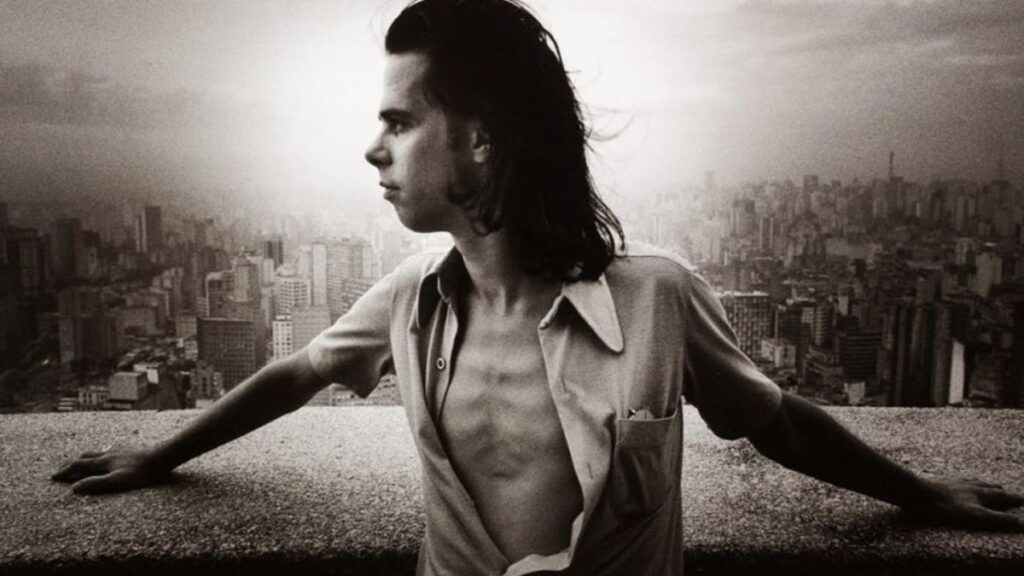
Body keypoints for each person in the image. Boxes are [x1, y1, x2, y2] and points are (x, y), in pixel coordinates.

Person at [53, 0, 1023, 574]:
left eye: (399, 121)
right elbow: (295, 374)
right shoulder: (409, 301)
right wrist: (157, 456)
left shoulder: (655, 298)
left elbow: (776, 421)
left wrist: (921, 491)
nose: (372, 148)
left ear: (480, 138)